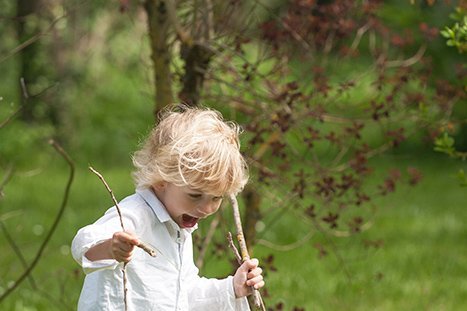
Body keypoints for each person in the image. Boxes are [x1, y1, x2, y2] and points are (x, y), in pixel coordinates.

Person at [71, 105, 265, 310]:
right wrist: (111, 247)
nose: (206, 208)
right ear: (161, 181)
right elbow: (85, 246)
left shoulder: (179, 231)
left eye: (216, 198)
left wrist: (232, 288)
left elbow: (184, 295)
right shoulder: (135, 215)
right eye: (195, 195)